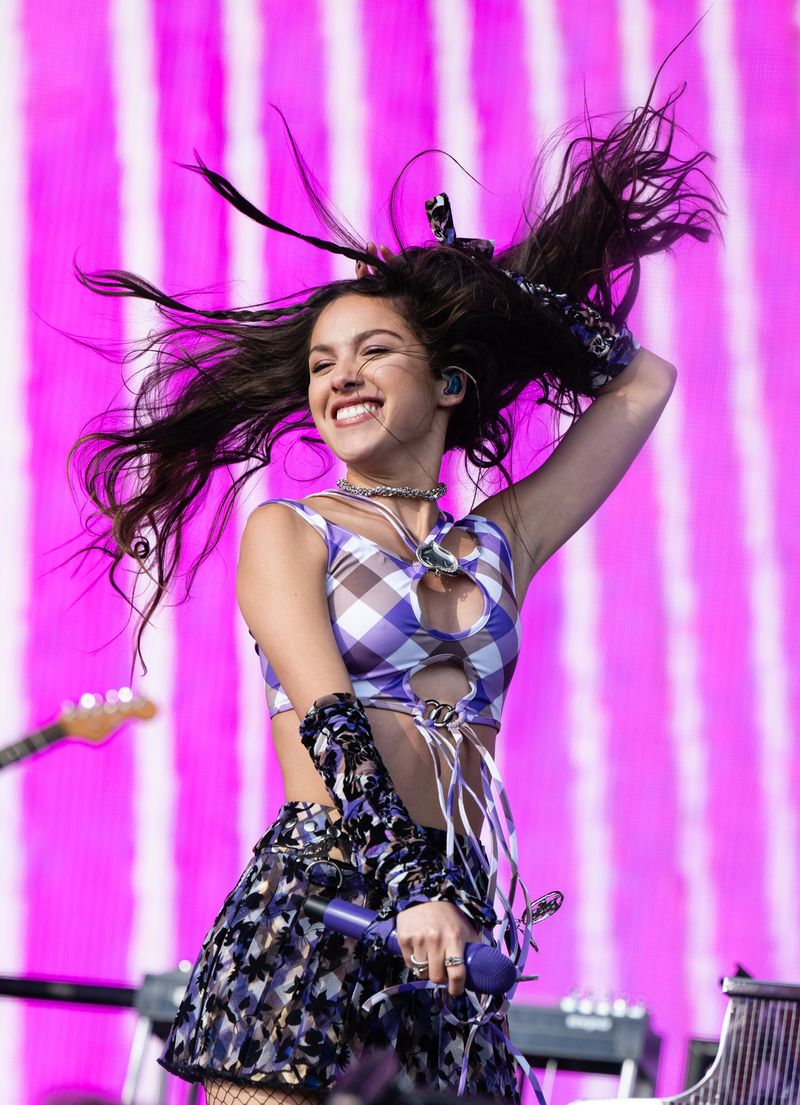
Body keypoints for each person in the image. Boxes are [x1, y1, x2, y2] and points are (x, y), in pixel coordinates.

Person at [71, 83, 720, 1105]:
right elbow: (330, 717)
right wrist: (409, 887)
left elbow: (641, 384)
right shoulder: (291, 529)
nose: (339, 377)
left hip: (449, 912)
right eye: (322, 364)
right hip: (327, 894)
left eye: (373, 349)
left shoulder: (500, 539)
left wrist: (508, 298)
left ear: (448, 385)